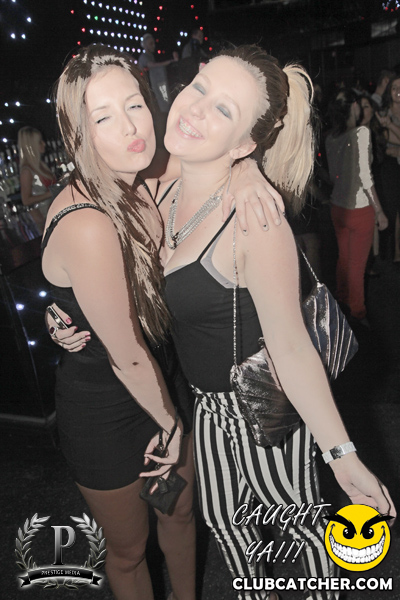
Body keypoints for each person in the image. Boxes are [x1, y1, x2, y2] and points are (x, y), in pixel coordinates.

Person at [43, 44, 285, 599]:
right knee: (129, 552)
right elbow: (126, 354)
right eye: (103, 117)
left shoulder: (143, 179)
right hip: (105, 409)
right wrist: (172, 427)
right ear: (78, 135)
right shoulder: (88, 222)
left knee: (179, 516)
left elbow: (224, 154)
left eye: (134, 104)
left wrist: (248, 172)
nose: (131, 127)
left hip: (164, 380)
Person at [156, 47, 395, 600]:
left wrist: (343, 457)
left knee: (300, 532)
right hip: (207, 410)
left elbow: (290, 346)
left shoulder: (255, 222)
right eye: (200, 88)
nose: (196, 108)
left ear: (245, 143)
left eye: (224, 110)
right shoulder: (163, 185)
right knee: (227, 524)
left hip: (261, 407)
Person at [326, 89, 388, 325]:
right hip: (359, 208)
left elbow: (334, 175)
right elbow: (365, 176)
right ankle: (358, 312)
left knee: (344, 258)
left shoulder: (331, 137)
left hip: (337, 207)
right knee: (356, 264)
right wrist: (379, 211)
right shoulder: (361, 133)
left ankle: (342, 301)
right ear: (353, 107)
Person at [376, 75, 400, 266]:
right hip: (390, 166)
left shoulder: (388, 119)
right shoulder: (383, 112)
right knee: (392, 209)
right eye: (394, 87)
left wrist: (391, 125)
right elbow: (383, 142)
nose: (398, 91)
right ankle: (391, 252)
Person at [18, 126, 56, 234]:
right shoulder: (27, 171)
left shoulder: (41, 166)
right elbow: (26, 200)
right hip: (45, 219)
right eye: (40, 142)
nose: (44, 144)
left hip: (54, 213)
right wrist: (51, 193)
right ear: (32, 146)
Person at [138, 33, 179, 113]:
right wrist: (169, 62)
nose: (153, 46)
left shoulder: (151, 56)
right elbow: (152, 65)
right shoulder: (144, 57)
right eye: (151, 44)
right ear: (145, 45)